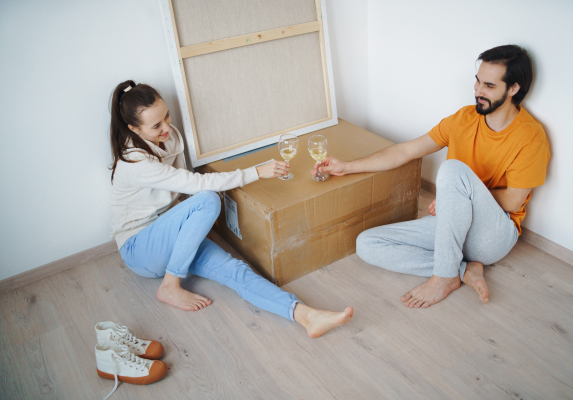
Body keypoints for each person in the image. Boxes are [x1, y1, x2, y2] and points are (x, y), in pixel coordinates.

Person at [109, 80, 353, 337]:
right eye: (156, 125)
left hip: (173, 234)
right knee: (208, 199)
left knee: (234, 269)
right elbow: (195, 185)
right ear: (134, 129)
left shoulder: (169, 139)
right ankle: (170, 284)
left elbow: (179, 192)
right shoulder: (134, 161)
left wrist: (196, 228)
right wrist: (256, 171)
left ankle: (306, 316)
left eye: (167, 116)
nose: (167, 127)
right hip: (140, 249)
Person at [312, 45, 550, 308]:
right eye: (477, 81)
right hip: (453, 224)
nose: (477, 91)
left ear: (513, 88)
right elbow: (405, 150)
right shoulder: (463, 119)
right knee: (367, 243)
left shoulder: (530, 136)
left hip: (492, 236)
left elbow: (513, 201)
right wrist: (345, 166)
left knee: (452, 170)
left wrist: (456, 198)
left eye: (489, 86)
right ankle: (463, 270)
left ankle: (444, 276)